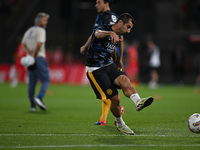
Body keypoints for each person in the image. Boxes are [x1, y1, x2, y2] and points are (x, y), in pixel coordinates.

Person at [85, 13, 153, 135]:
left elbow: (113, 48)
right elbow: (97, 34)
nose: (129, 30)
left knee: (124, 79)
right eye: (128, 27)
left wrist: (119, 59)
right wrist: (110, 33)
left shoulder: (119, 35)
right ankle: (120, 124)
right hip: (95, 69)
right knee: (115, 98)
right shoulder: (103, 27)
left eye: (130, 28)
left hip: (109, 64)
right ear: (120, 22)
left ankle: (138, 101)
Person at [80, 0, 125, 126]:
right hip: (105, 57)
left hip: (107, 58)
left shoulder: (110, 17)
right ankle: (104, 118)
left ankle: (118, 111)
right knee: (108, 89)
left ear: (107, 3)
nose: (96, 5)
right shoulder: (102, 16)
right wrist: (85, 46)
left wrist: (119, 59)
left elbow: (119, 38)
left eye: (99, 2)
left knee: (109, 90)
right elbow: (95, 34)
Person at [21, 12, 50, 111]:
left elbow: (23, 45)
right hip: (39, 58)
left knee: (32, 83)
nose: (46, 22)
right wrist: (34, 55)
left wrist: (29, 53)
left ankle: (32, 106)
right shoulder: (41, 31)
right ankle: (40, 98)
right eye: (44, 20)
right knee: (46, 80)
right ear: (39, 21)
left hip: (30, 60)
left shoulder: (29, 30)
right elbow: (39, 44)